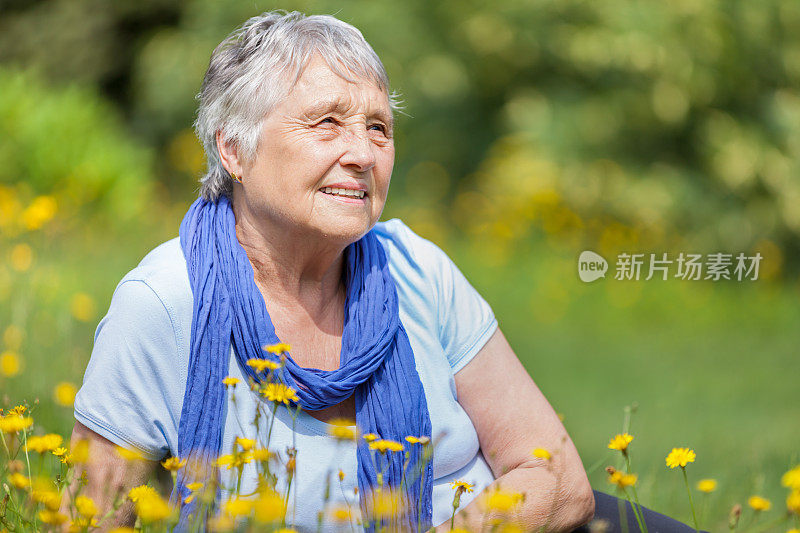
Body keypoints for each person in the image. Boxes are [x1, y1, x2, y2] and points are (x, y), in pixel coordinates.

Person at [66, 10, 678, 532]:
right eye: (327, 122)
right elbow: (90, 519)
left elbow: (555, 474)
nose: (362, 154)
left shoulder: (418, 269)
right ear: (234, 149)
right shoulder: (165, 303)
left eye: (378, 127)